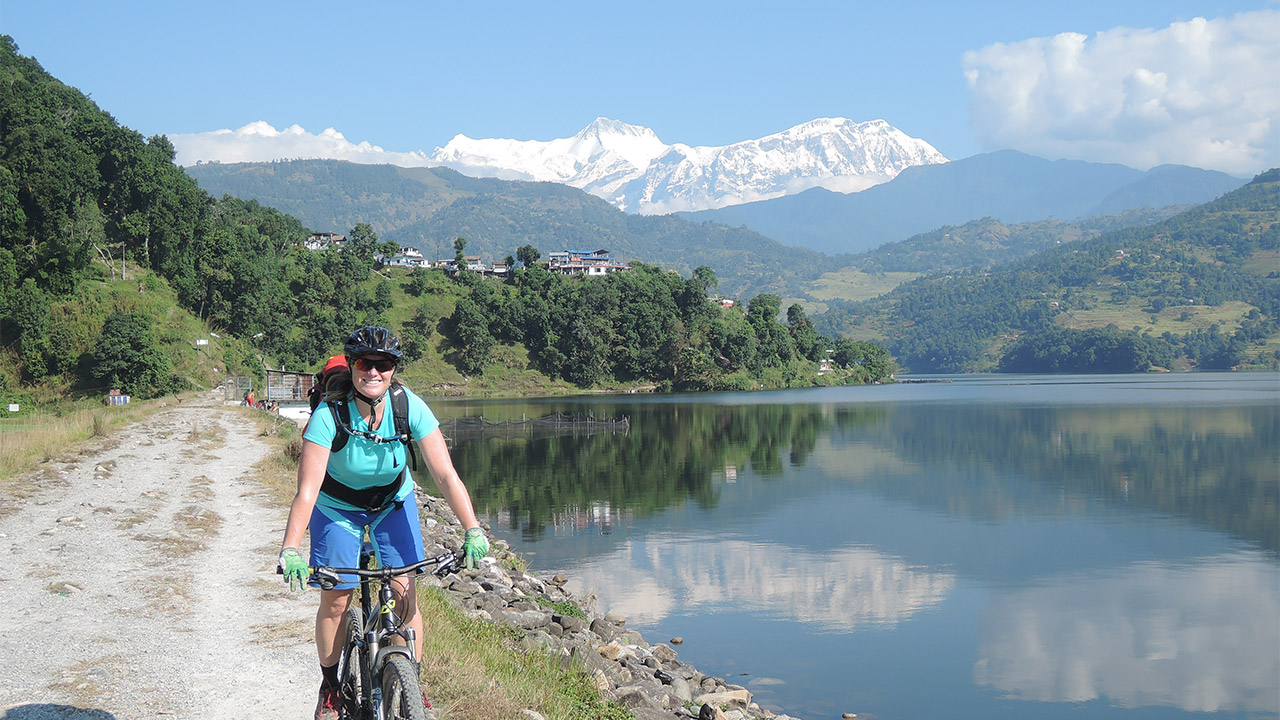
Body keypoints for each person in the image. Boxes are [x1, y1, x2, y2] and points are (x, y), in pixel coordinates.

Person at [277, 326, 489, 720]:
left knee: (404, 595)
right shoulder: (329, 415)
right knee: (337, 597)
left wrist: (472, 527)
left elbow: (445, 475)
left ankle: (412, 686)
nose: (373, 372)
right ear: (353, 367)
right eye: (364, 363)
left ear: (393, 369)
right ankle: (330, 687)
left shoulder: (408, 407)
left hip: (393, 502)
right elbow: (307, 491)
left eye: (384, 364)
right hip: (337, 506)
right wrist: (290, 548)